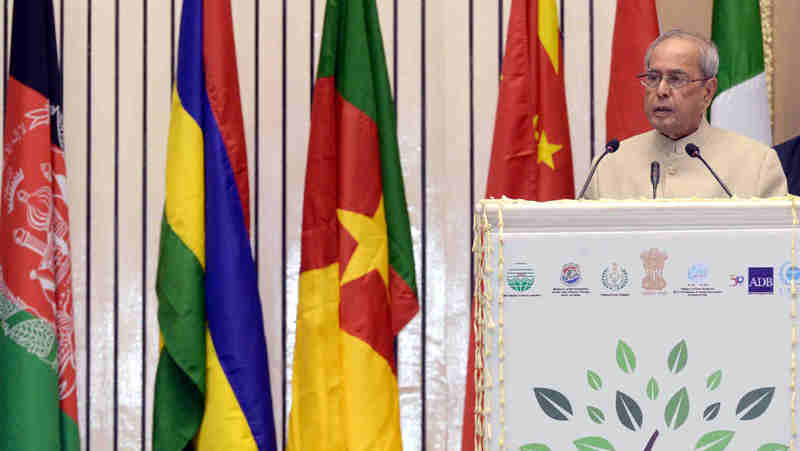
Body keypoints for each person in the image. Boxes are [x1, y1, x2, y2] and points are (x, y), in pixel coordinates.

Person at [583, 30, 787, 199]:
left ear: (707, 91)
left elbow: (778, 244)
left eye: (676, 79)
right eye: (653, 77)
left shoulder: (756, 163)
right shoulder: (609, 165)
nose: (661, 90)